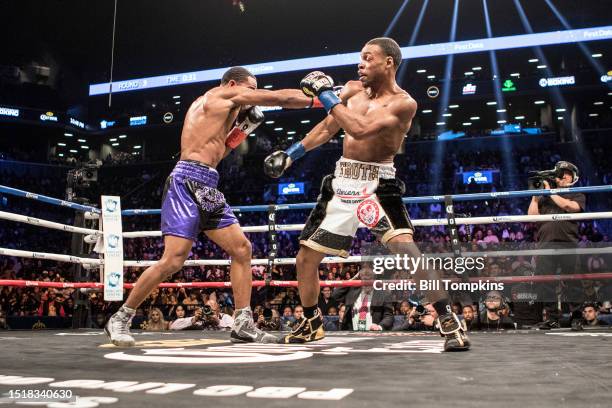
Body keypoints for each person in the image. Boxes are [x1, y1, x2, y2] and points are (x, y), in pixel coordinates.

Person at [264, 37, 469, 350]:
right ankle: (312, 324)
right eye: (359, 57)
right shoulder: (351, 90)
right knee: (306, 258)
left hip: (378, 184)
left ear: (388, 62)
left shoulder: (404, 103)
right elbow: (328, 127)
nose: (360, 63)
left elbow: (359, 128)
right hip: (342, 181)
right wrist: (291, 154)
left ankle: (448, 320)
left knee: (407, 251)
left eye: (368, 57)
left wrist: (324, 92)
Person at [106, 66, 314, 346]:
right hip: (186, 181)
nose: (251, 97)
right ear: (232, 84)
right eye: (249, 90)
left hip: (208, 184)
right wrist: (320, 98)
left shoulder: (221, 111)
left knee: (242, 249)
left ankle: (242, 323)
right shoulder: (217, 96)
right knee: (173, 260)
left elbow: (220, 151)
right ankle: (121, 317)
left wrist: (241, 131)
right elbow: (278, 97)